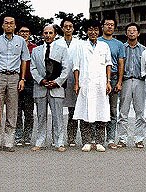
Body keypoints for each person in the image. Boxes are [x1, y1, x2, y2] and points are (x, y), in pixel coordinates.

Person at [0, 16, 30, 152]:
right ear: (3, 25)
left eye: (12, 23)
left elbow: (24, 61)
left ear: (15, 26)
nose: (9, 25)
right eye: (6, 23)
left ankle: (9, 143)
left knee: (12, 110)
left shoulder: (21, 41)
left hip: (14, 77)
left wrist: (22, 79)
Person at [73, 19, 112, 152]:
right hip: (86, 83)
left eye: (96, 29)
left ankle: (100, 141)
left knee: (101, 111)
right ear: (86, 31)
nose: (93, 32)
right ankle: (87, 141)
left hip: (101, 83)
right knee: (85, 111)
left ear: (99, 30)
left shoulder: (104, 46)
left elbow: (108, 64)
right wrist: (77, 83)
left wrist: (108, 82)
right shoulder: (81, 46)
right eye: (90, 29)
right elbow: (76, 66)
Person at [30, 24, 69, 152]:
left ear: (55, 35)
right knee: (41, 116)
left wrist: (57, 82)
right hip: (40, 87)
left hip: (56, 88)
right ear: (42, 34)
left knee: (58, 116)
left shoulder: (62, 50)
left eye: (50, 33)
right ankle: (40, 141)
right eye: (45, 33)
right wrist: (41, 80)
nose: (48, 35)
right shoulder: (36, 50)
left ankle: (59, 142)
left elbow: (66, 69)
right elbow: (33, 68)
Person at [118, 23, 146, 149]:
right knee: (123, 111)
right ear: (126, 33)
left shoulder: (144, 50)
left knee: (140, 112)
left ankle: (139, 139)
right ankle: (122, 139)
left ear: (138, 33)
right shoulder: (121, 48)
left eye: (134, 31)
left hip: (140, 81)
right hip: (126, 81)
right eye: (129, 31)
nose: (132, 33)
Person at [98, 17, 125, 149]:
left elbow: (121, 63)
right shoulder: (96, 42)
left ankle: (110, 138)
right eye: (107, 24)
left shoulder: (119, 44)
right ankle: (97, 138)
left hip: (114, 78)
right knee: (99, 108)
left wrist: (119, 82)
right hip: (98, 78)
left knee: (113, 110)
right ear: (102, 26)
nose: (109, 27)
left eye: (112, 25)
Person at [54, 18, 82, 147]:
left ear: (73, 28)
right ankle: (57, 138)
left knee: (74, 110)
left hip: (75, 79)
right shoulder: (57, 43)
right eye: (66, 26)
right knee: (57, 109)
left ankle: (71, 138)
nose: (68, 28)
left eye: (70, 26)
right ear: (62, 28)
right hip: (59, 79)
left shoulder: (80, 43)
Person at [14, 26, 37, 146]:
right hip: (16, 80)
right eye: (22, 32)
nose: (24, 34)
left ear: (30, 34)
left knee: (29, 111)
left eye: (26, 32)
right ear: (18, 33)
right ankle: (18, 136)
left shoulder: (35, 48)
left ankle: (27, 137)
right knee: (16, 111)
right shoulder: (14, 46)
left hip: (30, 81)